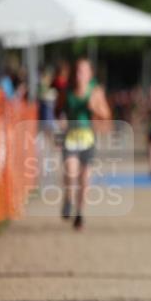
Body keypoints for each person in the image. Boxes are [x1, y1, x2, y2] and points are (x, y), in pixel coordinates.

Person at [55, 58, 111, 230]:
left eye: (84, 71)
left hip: (88, 138)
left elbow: (107, 115)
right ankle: (68, 198)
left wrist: (94, 108)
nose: (80, 74)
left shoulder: (95, 92)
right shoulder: (67, 90)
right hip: (70, 137)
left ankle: (79, 214)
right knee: (71, 172)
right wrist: (61, 121)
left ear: (90, 74)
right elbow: (58, 110)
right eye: (78, 71)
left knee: (84, 179)